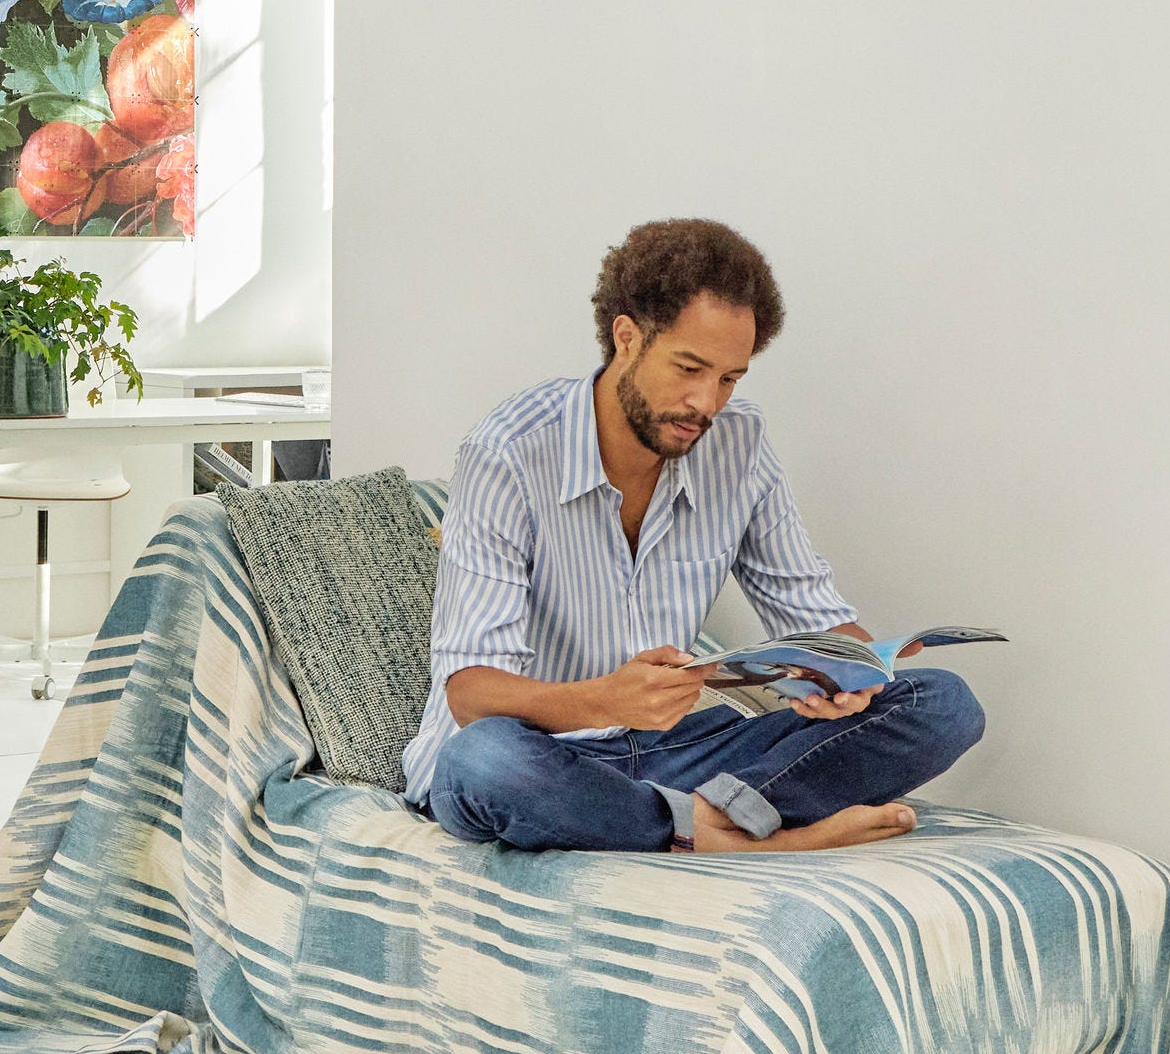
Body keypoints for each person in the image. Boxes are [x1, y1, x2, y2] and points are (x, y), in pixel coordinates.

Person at [401, 219, 986, 854]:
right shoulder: (507, 453)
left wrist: (855, 675)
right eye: (689, 368)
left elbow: (813, 613)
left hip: (677, 752)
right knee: (483, 763)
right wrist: (606, 700)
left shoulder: (739, 445)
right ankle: (753, 839)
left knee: (942, 704)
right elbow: (473, 693)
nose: (706, 403)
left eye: (729, 379)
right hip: (544, 755)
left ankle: (691, 818)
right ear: (627, 337)